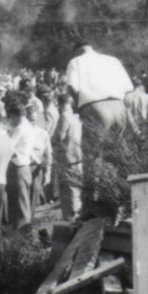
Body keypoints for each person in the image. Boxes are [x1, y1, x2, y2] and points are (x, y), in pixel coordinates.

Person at [63, 43, 134, 211]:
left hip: (95, 107)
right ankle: (124, 200)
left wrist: (79, 106)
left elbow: (72, 87)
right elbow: (128, 88)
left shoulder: (76, 61)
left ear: (77, 50)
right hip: (119, 106)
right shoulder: (112, 60)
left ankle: (89, 207)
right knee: (119, 156)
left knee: (92, 158)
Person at [4, 101, 46, 229]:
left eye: (10, 117)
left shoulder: (20, 129)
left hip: (18, 168)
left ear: (14, 115)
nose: (10, 121)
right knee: (23, 202)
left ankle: (21, 232)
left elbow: (7, 147)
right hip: (26, 167)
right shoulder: (29, 127)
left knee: (18, 205)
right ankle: (23, 231)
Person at [51, 92, 85, 222]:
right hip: (78, 157)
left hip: (67, 159)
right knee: (76, 189)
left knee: (68, 192)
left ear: (60, 105)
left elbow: (59, 137)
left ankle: (70, 219)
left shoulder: (64, 117)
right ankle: (77, 215)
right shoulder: (76, 117)